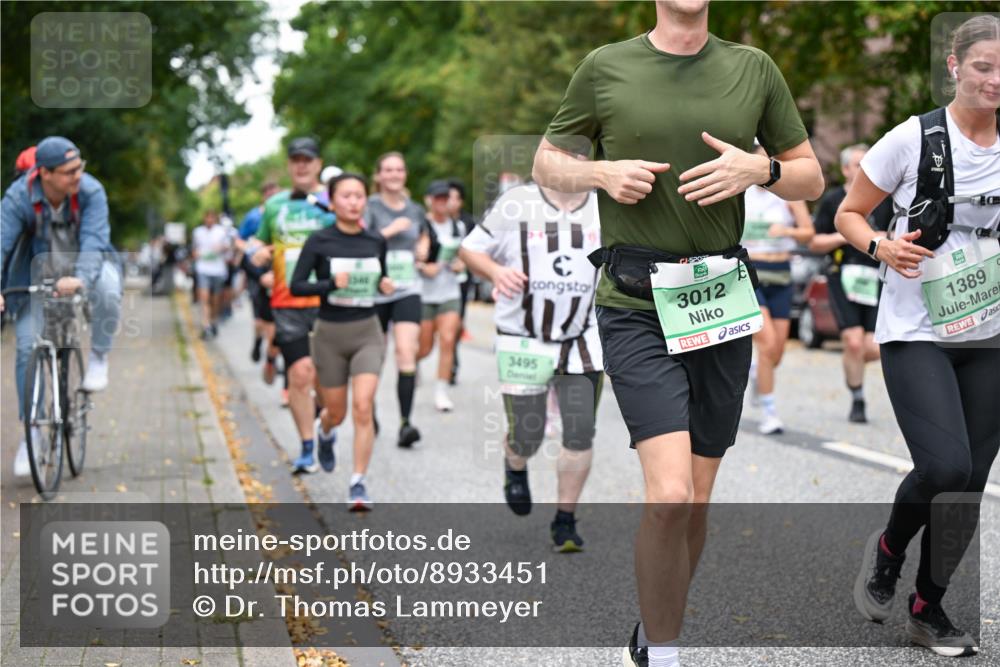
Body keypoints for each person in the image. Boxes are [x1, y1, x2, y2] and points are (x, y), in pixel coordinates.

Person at [532, 1, 824, 664]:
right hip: (635, 303)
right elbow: (548, 163)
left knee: (693, 503)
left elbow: (811, 172)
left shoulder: (753, 67)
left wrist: (763, 170)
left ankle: (652, 632)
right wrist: (598, 172)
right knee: (668, 496)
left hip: (721, 302)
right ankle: (665, 652)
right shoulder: (606, 67)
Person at [841, 14, 998, 658]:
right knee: (944, 466)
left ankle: (928, 606)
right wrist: (881, 245)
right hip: (916, 330)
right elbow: (852, 214)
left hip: (990, 333)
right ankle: (888, 551)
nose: (996, 80)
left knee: (970, 481)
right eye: (985, 66)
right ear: (956, 66)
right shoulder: (913, 139)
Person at [460, 182, 603, 551]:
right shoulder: (517, 202)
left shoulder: (606, 204)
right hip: (522, 336)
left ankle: (565, 521)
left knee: (579, 431)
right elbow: (470, 249)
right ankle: (516, 463)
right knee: (529, 433)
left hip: (582, 337)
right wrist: (494, 271)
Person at [1, 136, 123, 477]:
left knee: (110, 289)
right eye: (69, 172)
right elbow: (2, 242)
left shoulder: (90, 192)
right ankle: (33, 433)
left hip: (86, 268)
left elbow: (95, 241)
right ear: (45, 174)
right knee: (27, 348)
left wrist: (81, 278)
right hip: (36, 276)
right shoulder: (19, 197)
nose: (77, 176)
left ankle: (99, 357)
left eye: (79, 167)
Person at [291, 172, 393, 510]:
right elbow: (297, 286)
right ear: (332, 202)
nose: (353, 202)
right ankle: (325, 431)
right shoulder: (319, 241)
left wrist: (384, 286)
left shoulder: (375, 240)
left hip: (367, 332)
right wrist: (330, 283)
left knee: (364, 406)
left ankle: (358, 483)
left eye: (359, 196)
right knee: (337, 412)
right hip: (329, 335)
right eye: (346, 196)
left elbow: (381, 277)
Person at [247, 137, 333, 473]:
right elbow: (260, 240)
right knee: (300, 375)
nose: (301, 165)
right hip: (288, 300)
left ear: (318, 163)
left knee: (326, 380)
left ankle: (326, 428)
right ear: (289, 165)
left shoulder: (334, 199)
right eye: (295, 159)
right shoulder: (275, 205)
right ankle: (307, 446)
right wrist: (256, 250)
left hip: (328, 301)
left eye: (307, 159)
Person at [809, 144, 893, 423]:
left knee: (873, 347)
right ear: (845, 169)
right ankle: (857, 398)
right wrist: (848, 235)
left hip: (876, 277)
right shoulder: (834, 201)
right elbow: (815, 242)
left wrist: (883, 239)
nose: (862, 169)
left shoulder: (885, 200)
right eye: (857, 164)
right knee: (853, 341)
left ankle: (852, 361)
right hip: (841, 274)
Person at [741, 143, 814, 435]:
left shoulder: (788, 194)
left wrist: (787, 232)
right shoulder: (740, 194)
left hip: (781, 272)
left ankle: (758, 372)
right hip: (751, 272)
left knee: (778, 352)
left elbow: (808, 233)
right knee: (767, 342)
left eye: (765, 163)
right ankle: (769, 413)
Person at [364, 152, 428, 448]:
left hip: (407, 288)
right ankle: (370, 410)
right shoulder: (369, 207)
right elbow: (361, 242)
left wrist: (424, 249)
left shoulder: (415, 209)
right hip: (375, 290)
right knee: (375, 356)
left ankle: (405, 423)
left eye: (399, 169)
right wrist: (389, 230)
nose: (394, 174)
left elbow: (425, 237)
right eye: (387, 169)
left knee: (406, 351)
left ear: (405, 174)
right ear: (378, 175)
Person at [417, 180, 468, 413]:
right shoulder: (421, 226)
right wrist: (422, 265)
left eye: (445, 198)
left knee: (448, 340)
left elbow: (465, 256)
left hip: (450, 291)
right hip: (425, 293)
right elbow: (411, 257)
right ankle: (412, 364)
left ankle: (441, 391)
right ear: (429, 199)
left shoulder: (458, 227)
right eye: (437, 198)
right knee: (425, 347)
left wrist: (461, 264)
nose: (441, 202)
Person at [238, 181, 281, 364]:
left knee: (278, 320)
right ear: (263, 195)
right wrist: (253, 251)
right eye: (268, 192)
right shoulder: (253, 216)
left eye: (275, 192)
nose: (272, 195)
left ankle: (274, 355)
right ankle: (258, 341)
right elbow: (239, 241)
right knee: (259, 320)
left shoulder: (285, 212)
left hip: (279, 269)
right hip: (258, 269)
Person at [447, 178, 477, 385]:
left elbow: (478, 251)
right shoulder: (432, 221)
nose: (450, 202)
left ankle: (452, 363)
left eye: (455, 198)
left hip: (461, 280)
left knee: (456, 323)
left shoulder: (468, 223)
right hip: (436, 279)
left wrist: (465, 263)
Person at [191, 210, 230, 339]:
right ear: (204, 218)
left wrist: (221, 248)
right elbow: (194, 250)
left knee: (215, 300)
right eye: (207, 218)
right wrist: (196, 254)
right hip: (203, 269)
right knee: (204, 298)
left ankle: (213, 321)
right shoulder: (198, 232)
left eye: (212, 218)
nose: (209, 220)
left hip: (218, 270)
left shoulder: (221, 231)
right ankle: (206, 326)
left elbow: (228, 247)